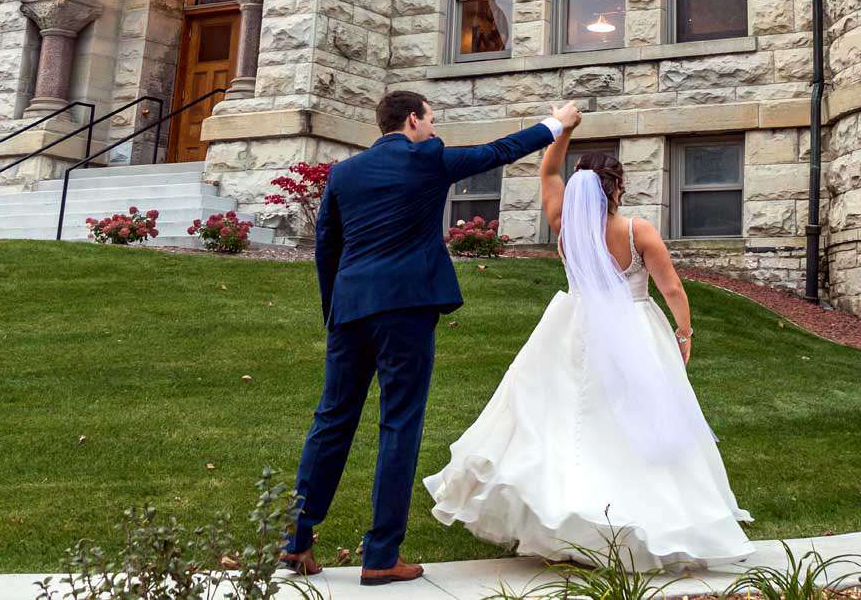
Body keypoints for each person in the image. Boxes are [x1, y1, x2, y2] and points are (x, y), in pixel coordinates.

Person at [281, 90, 583, 586]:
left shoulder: (343, 173)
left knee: (331, 420)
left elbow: (326, 248)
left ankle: (295, 543)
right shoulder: (426, 157)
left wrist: (333, 310)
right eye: (432, 119)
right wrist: (556, 124)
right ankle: (380, 555)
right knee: (398, 425)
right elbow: (497, 152)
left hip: (350, 309)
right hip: (406, 310)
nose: (435, 128)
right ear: (413, 120)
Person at [423, 128, 753, 570]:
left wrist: (562, 129)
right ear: (617, 187)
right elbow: (671, 288)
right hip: (635, 327)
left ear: (580, 187)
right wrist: (684, 333)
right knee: (638, 424)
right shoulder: (639, 231)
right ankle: (652, 522)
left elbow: (548, 169)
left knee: (563, 422)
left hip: (572, 327)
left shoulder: (564, 227)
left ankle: (571, 521)